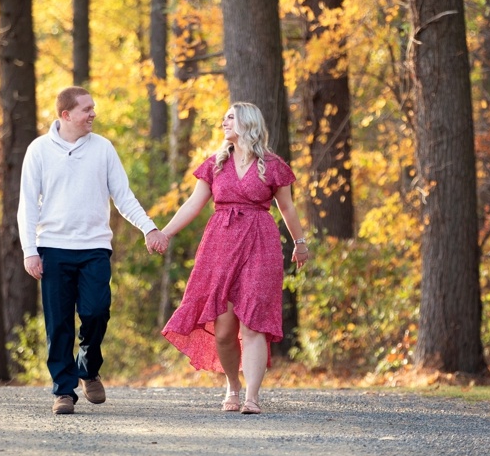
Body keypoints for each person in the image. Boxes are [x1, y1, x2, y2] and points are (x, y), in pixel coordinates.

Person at [18, 86, 169, 415]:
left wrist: (150, 227)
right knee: (58, 323)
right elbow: (27, 205)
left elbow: (123, 196)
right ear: (66, 115)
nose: (93, 114)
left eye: (93, 108)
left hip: (94, 247)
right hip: (53, 248)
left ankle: (88, 367)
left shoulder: (103, 149)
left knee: (97, 311)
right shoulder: (39, 150)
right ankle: (64, 391)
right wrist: (30, 250)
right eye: (86, 109)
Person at [160, 102, 310, 415]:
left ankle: (252, 397)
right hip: (220, 245)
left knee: (253, 324)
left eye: (230, 117)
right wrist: (165, 232)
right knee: (225, 329)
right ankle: (233, 384)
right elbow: (193, 203)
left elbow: (288, 208)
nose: (224, 121)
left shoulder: (271, 165)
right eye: (225, 116)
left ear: (247, 123)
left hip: (260, 244)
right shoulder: (215, 163)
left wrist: (300, 242)